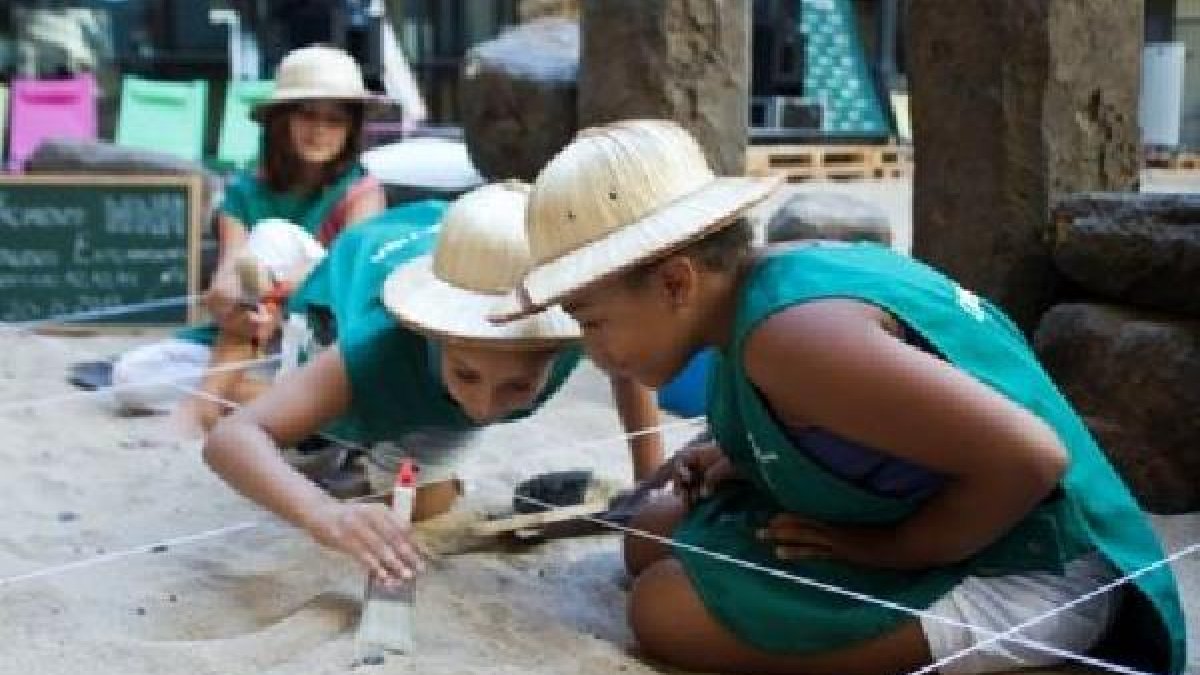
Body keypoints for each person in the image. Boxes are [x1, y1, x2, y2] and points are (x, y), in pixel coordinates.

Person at [491, 120, 1187, 675]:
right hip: (951, 519)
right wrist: (740, 456)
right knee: (652, 529)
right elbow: (869, 428)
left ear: (676, 282)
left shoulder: (791, 335)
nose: (593, 348)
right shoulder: (758, 297)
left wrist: (889, 550)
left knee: (665, 608)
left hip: (1036, 569)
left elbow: (1032, 458)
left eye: (591, 320)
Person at [203, 182, 663, 582]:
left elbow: (630, 370)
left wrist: (648, 482)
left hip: (423, 371)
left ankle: (362, 432)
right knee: (303, 467)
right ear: (432, 333)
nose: (483, 407)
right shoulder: (380, 342)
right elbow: (231, 440)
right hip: (344, 296)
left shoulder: (582, 327)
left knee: (419, 507)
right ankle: (289, 299)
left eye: (518, 386)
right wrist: (322, 514)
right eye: (468, 374)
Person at [112, 45, 386, 428]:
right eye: (307, 114)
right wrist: (224, 296)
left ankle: (207, 406)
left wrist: (275, 290)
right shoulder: (244, 191)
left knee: (272, 236)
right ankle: (291, 400)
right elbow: (230, 267)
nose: (319, 130)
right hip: (252, 340)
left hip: (318, 334)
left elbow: (346, 275)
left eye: (334, 120)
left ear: (350, 129)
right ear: (282, 121)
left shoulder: (362, 191)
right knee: (131, 377)